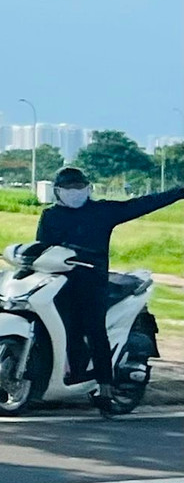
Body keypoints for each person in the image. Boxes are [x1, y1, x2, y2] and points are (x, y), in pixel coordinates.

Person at [35, 166, 183, 408]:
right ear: (58, 192)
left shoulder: (101, 211)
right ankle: (52, 383)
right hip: (59, 284)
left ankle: (105, 388)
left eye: (79, 187)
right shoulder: (50, 216)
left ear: (88, 189)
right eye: (69, 188)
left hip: (93, 283)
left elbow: (141, 204)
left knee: (94, 330)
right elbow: (41, 249)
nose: (75, 192)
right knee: (57, 330)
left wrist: (178, 193)